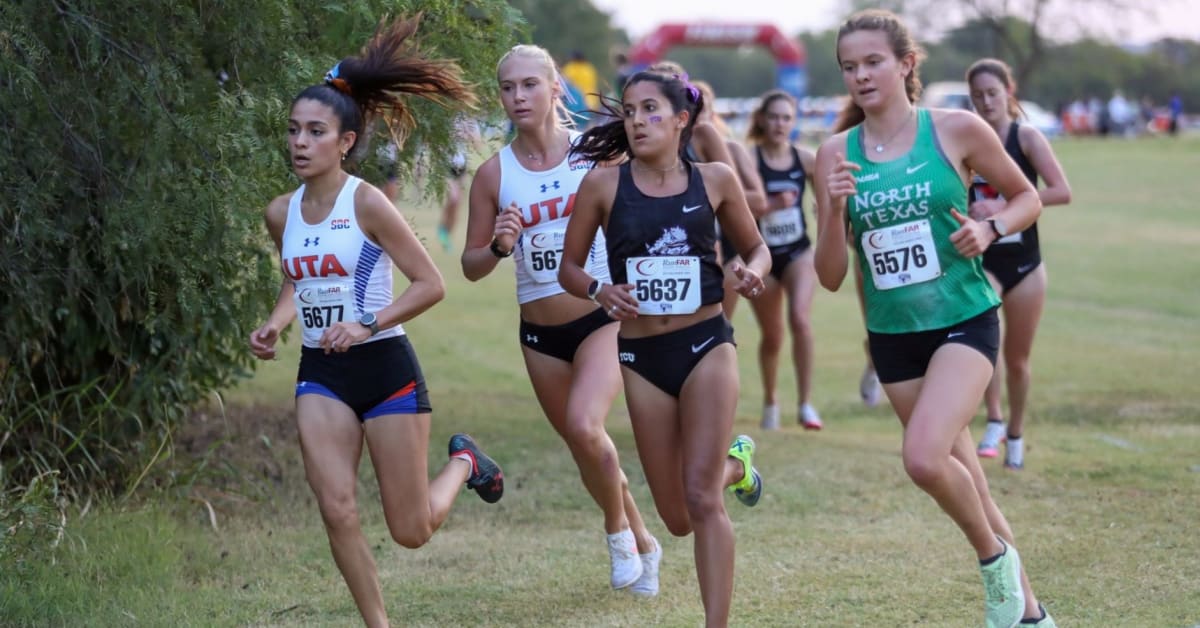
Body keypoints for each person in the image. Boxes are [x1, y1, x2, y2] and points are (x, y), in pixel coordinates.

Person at [246, 16, 504, 627]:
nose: (299, 143)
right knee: (336, 508)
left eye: (315, 132)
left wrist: (365, 322)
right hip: (322, 373)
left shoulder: (367, 202)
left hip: (385, 367)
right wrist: (278, 320)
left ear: (346, 142)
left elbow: (430, 284)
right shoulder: (280, 213)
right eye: (293, 131)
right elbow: (297, 277)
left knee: (411, 530)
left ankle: (465, 460)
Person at [813, 10, 1055, 627]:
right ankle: (1030, 615)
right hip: (894, 338)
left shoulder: (956, 129)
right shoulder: (833, 155)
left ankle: (993, 561)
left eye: (872, 62)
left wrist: (989, 226)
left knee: (923, 458)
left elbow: (1026, 196)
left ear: (905, 64)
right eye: (849, 67)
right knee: (968, 478)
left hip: (964, 321)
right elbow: (832, 275)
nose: (861, 76)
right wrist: (833, 210)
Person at [559, 70, 771, 628]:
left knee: (703, 503)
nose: (637, 121)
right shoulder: (603, 186)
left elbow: (755, 248)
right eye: (629, 111)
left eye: (651, 110)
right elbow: (569, 267)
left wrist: (750, 272)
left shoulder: (717, 179)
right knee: (678, 517)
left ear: (682, 120)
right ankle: (738, 466)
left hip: (706, 345)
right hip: (642, 359)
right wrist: (599, 290)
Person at [461, 44, 661, 595]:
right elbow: (471, 266)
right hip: (539, 335)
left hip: (600, 320)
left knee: (584, 426)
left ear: (555, 89)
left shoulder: (593, 155)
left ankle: (618, 533)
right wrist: (500, 245)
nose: (518, 97)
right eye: (508, 88)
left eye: (529, 85)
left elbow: (641, 214)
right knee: (587, 448)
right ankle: (646, 541)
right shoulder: (492, 174)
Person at [965, 59, 1072, 470]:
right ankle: (993, 419)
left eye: (992, 93)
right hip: (984, 262)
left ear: (1009, 90)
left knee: (1018, 359)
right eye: (977, 96)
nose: (986, 102)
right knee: (984, 342)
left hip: (1026, 264)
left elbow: (1061, 191)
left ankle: (1016, 433)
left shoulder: (1026, 137)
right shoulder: (968, 140)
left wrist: (1008, 208)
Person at [740, 90, 823, 431]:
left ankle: (805, 404)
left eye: (786, 118)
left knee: (801, 320)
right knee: (772, 336)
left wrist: (827, 211)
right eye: (773, 117)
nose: (780, 124)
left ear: (794, 122)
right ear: (761, 119)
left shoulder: (804, 159)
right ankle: (771, 401)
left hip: (799, 251)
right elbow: (738, 206)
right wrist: (771, 205)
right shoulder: (749, 159)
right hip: (763, 257)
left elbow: (828, 201)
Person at [436, 116, 483, 252]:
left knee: (456, 205)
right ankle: (442, 228)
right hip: (445, 166)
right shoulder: (444, 118)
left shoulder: (469, 120)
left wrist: (468, 134)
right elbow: (436, 144)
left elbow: (477, 145)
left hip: (461, 168)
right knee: (453, 198)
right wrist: (450, 136)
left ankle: (446, 235)